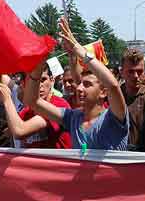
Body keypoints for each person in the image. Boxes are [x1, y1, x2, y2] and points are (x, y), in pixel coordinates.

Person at [24, 18, 128, 150]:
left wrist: (78, 49)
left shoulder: (115, 117)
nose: (79, 88)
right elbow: (32, 101)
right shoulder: (73, 118)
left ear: (103, 92)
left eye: (87, 84)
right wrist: (37, 70)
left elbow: (113, 86)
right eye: (80, 83)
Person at [0, 66, 71, 149]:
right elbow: (11, 129)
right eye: (32, 81)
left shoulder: (58, 105)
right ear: (24, 84)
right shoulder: (27, 110)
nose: (39, 85)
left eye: (43, 79)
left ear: (52, 80)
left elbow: (19, 131)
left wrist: (7, 99)